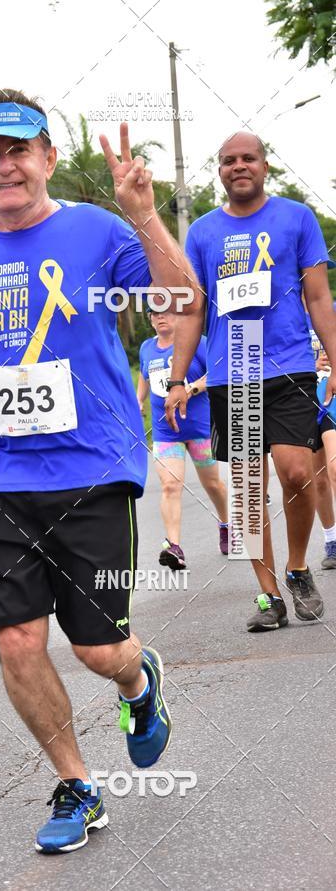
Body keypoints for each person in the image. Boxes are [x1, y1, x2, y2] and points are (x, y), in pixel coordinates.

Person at [0, 88, 195, 853]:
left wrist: (144, 214)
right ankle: (77, 784)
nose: (4, 165)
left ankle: (138, 678)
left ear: (47, 158)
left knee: (99, 648)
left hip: (92, 465)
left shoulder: (96, 230)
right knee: (19, 639)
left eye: (17, 149)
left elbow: (181, 295)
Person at [165, 131, 336, 632]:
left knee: (296, 472)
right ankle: (268, 596)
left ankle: (298, 567)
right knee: (245, 488)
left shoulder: (296, 217)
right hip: (231, 369)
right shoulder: (202, 232)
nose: (238, 167)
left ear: (265, 165)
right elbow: (192, 309)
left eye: (247, 159)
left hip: (289, 366)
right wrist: (179, 378)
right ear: (219, 170)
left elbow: (319, 298)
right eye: (227, 161)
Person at [138, 306, 228, 569]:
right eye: (155, 313)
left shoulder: (196, 343)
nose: (161, 316)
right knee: (170, 485)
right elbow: (145, 376)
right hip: (166, 431)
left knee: (213, 485)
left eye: (166, 312)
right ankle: (174, 546)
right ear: (151, 320)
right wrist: (138, 399)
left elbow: (216, 371)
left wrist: (190, 388)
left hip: (199, 427)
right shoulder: (146, 348)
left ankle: (225, 524)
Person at [306, 306, 336, 568]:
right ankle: (332, 541)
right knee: (318, 480)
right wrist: (308, 364)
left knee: (335, 467)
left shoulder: (331, 310)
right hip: (302, 402)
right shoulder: (285, 313)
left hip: (331, 397)